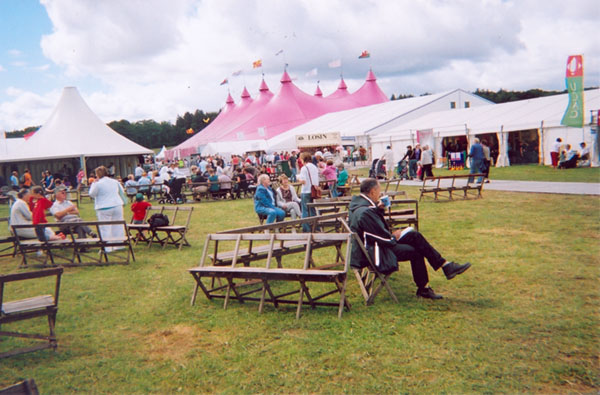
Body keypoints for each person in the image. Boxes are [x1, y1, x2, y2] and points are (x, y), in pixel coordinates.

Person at [349, 178, 471, 299]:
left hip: (372, 246)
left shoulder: (358, 206)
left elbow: (371, 231)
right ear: (372, 192)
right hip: (375, 252)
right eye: (379, 191)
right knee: (416, 251)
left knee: (414, 235)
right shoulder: (366, 212)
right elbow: (384, 239)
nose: (380, 194)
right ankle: (427, 285)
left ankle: (445, 266)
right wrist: (394, 237)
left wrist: (378, 209)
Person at [89, 166, 126, 252]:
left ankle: (107, 247)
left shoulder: (98, 183)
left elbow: (92, 194)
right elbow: (122, 191)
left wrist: (93, 184)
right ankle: (119, 244)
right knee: (118, 225)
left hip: (104, 206)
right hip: (117, 205)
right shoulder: (114, 181)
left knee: (105, 227)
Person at [298, 152, 319, 232]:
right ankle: (315, 227)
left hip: (306, 190)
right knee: (312, 210)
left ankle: (306, 228)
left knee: (305, 211)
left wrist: (299, 179)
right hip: (313, 190)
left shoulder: (304, 168)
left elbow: (303, 181)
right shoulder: (314, 166)